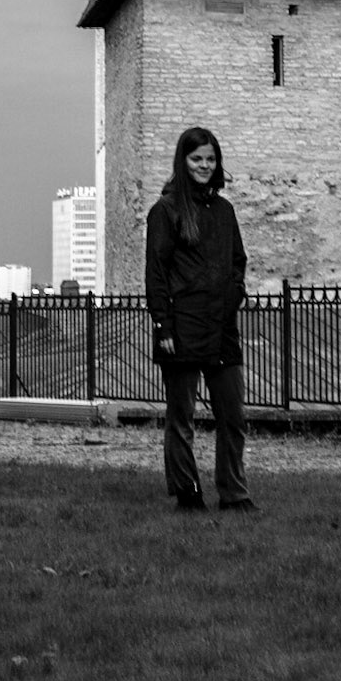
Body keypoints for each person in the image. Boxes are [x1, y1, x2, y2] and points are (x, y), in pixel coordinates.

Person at [144, 126, 252, 512]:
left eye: (210, 159)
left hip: (221, 327)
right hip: (182, 327)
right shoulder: (166, 211)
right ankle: (187, 494)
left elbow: (238, 260)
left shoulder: (224, 211)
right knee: (181, 419)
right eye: (196, 159)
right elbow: (156, 273)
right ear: (183, 162)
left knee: (233, 417)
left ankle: (234, 494)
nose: (204, 166)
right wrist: (163, 326)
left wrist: (234, 291)